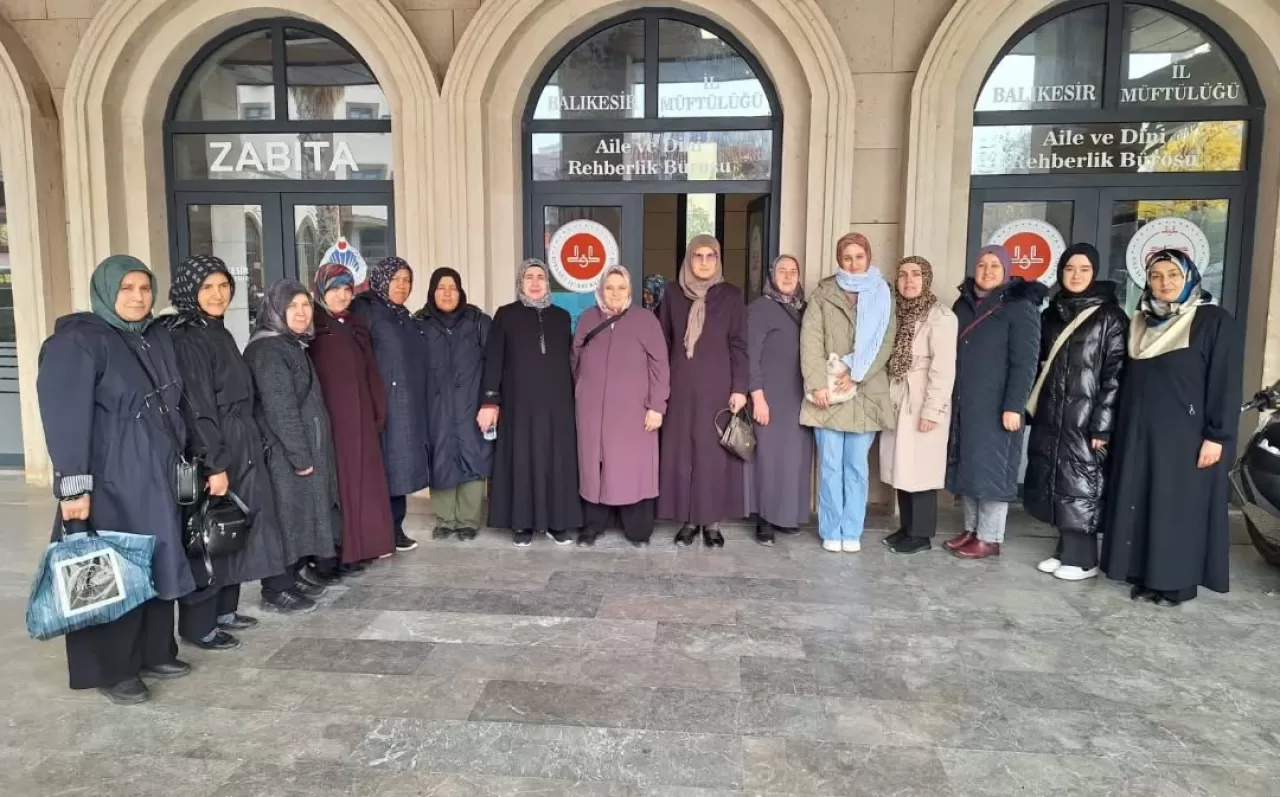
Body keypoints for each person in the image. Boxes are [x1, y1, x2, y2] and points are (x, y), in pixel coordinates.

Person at [37, 255, 195, 704]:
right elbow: (64, 419)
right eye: (126, 289)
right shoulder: (78, 342)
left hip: (156, 475)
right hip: (110, 479)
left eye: (144, 289)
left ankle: (153, 651)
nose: (138, 297)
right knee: (109, 572)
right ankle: (113, 669)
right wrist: (74, 488)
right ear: (106, 291)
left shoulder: (152, 336)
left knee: (156, 561)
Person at [1100, 249, 1241, 606]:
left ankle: (1175, 583)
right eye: (1156, 276)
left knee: (1177, 509)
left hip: (1186, 437)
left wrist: (1217, 435)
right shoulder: (1141, 322)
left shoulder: (1211, 320)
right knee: (1145, 503)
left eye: (1173, 275)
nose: (1164, 283)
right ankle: (1146, 575)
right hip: (1139, 433)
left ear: (1189, 277)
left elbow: (1225, 382)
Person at [163, 255, 289, 652]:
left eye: (223, 286)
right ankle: (199, 625)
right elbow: (198, 407)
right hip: (216, 446)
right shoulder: (188, 338)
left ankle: (224, 611)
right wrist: (214, 464)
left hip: (240, 441)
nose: (217, 295)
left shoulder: (216, 330)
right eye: (207, 287)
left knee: (233, 527)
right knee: (207, 532)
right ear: (190, 292)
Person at [1023, 244, 1127, 580]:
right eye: (1070, 269)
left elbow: (1115, 374)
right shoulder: (1052, 313)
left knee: (1082, 481)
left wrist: (1102, 425)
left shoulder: (1109, 317)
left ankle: (1084, 559)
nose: (1076, 275)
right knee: (1058, 478)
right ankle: (1064, 549)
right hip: (1054, 412)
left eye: (1083, 269)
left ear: (1094, 272)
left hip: (1086, 418)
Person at [243, 281, 341, 613]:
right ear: (275, 310)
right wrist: (301, 456)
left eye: (306, 305)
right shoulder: (268, 350)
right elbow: (280, 409)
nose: (301, 313)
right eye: (292, 306)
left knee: (300, 514)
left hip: (298, 450)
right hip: (285, 454)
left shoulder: (290, 343)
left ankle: (293, 575)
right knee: (286, 517)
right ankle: (276, 588)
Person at [944, 244, 1046, 560]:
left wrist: (1014, 405)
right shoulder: (963, 305)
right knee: (971, 467)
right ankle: (973, 529)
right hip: (967, 402)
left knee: (994, 470)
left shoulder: (1019, 308)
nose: (987, 271)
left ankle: (990, 536)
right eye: (983, 265)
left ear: (1006, 271)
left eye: (995, 266)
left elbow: (1026, 363)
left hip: (999, 406)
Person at [799, 233, 897, 553]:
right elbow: (810, 341)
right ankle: (831, 528)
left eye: (859, 256)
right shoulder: (823, 293)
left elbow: (885, 342)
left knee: (856, 465)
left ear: (868, 257)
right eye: (847, 257)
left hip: (865, 392)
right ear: (839, 260)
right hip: (828, 391)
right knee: (829, 464)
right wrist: (816, 385)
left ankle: (851, 530)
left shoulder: (883, 293)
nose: (853, 263)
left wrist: (857, 375)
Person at [478, 259, 583, 545]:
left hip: (557, 405)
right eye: (529, 278)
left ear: (548, 283)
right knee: (521, 460)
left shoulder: (561, 317)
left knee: (556, 461)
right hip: (518, 404)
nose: (535, 283)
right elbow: (494, 360)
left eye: (540, 277)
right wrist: (490, 400)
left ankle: (556, 521)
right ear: (520, 283)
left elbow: (571, 362)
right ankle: (522, 523)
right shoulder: (506, 315)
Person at [658, 235, 749, 547]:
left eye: (711, 256)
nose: (705, 262)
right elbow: (663, 343)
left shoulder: (732, 296)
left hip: (718, 388)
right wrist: (660, 390)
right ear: (688, 259)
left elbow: (739, 344)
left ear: (718, 260)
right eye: (698, 256)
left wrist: (740, 388)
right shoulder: (671, 294)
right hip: (680, 388)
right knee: (683, 454)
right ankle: (687, 519)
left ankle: (711, 522)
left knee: (712, 456)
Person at [572, 265, 670, 547]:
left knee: (632, 468)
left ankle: (637, 529)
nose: (615, 294)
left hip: (634, 412)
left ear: (630, 291)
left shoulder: (645, 320)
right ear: (601, 290)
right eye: (609, 288)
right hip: (592, 410)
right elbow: (574, 358)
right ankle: (594, 525)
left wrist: (657, 406)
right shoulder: (588, 319)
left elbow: (660, 366)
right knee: (594, 466)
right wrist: (582, 391)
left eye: (621, 288)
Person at [308, 263, 395, 572]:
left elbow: (370, 370)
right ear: (321, 291)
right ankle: (339, 551)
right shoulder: (312, 328)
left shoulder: (355, 324)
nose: (342, 296)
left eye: (347, 289)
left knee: (363, 484)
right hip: (333, 422)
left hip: (362, 418)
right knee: (341, 486)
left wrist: (377, 409)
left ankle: (362, 547)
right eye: (335, 290)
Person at [350, 256, 431, 553]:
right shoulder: (366, 309)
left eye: (407, 280)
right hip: (378, 403)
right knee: (380, 468)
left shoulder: (401, 314)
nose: (402, 285)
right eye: (396, 279)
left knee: (397, 468)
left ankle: (395, 529)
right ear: (382, 279)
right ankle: (377, 533)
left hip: (403, 404)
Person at [878, 256, 957, 554]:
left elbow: (943, 369)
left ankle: (921, 534)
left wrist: (932, 410)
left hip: (922, 397)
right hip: (898, 394)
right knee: (902, 467)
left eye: (915, 275)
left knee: (921, 469)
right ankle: (907, 527)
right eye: (903, 275)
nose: (909, 281)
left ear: (926, 278)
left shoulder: (941, 317)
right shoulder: (896, 313)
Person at [417, 267, 493, 541]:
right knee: (440, 458)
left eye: (453, 288)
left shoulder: (478, 322)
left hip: (472, 405)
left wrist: (490, 401)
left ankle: (468, 520)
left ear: (461, 291)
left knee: (473, 456)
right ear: (432, 292)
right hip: (435, 407)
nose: (447, 293)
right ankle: (446, 520)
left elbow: (494, 364)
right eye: (441, 288)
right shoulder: (420, 324)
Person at [745, 254, 813, 545]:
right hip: (769, 396)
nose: (787, 276)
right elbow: (750, 355)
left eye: (793, 271)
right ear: (771, 275)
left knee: (794, 459)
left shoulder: (804, 309)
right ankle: (765, 519)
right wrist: (757, 396)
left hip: (799, 396)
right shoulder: (760, 309)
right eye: (781, 271)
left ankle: (787, 516)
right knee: (769, 459)